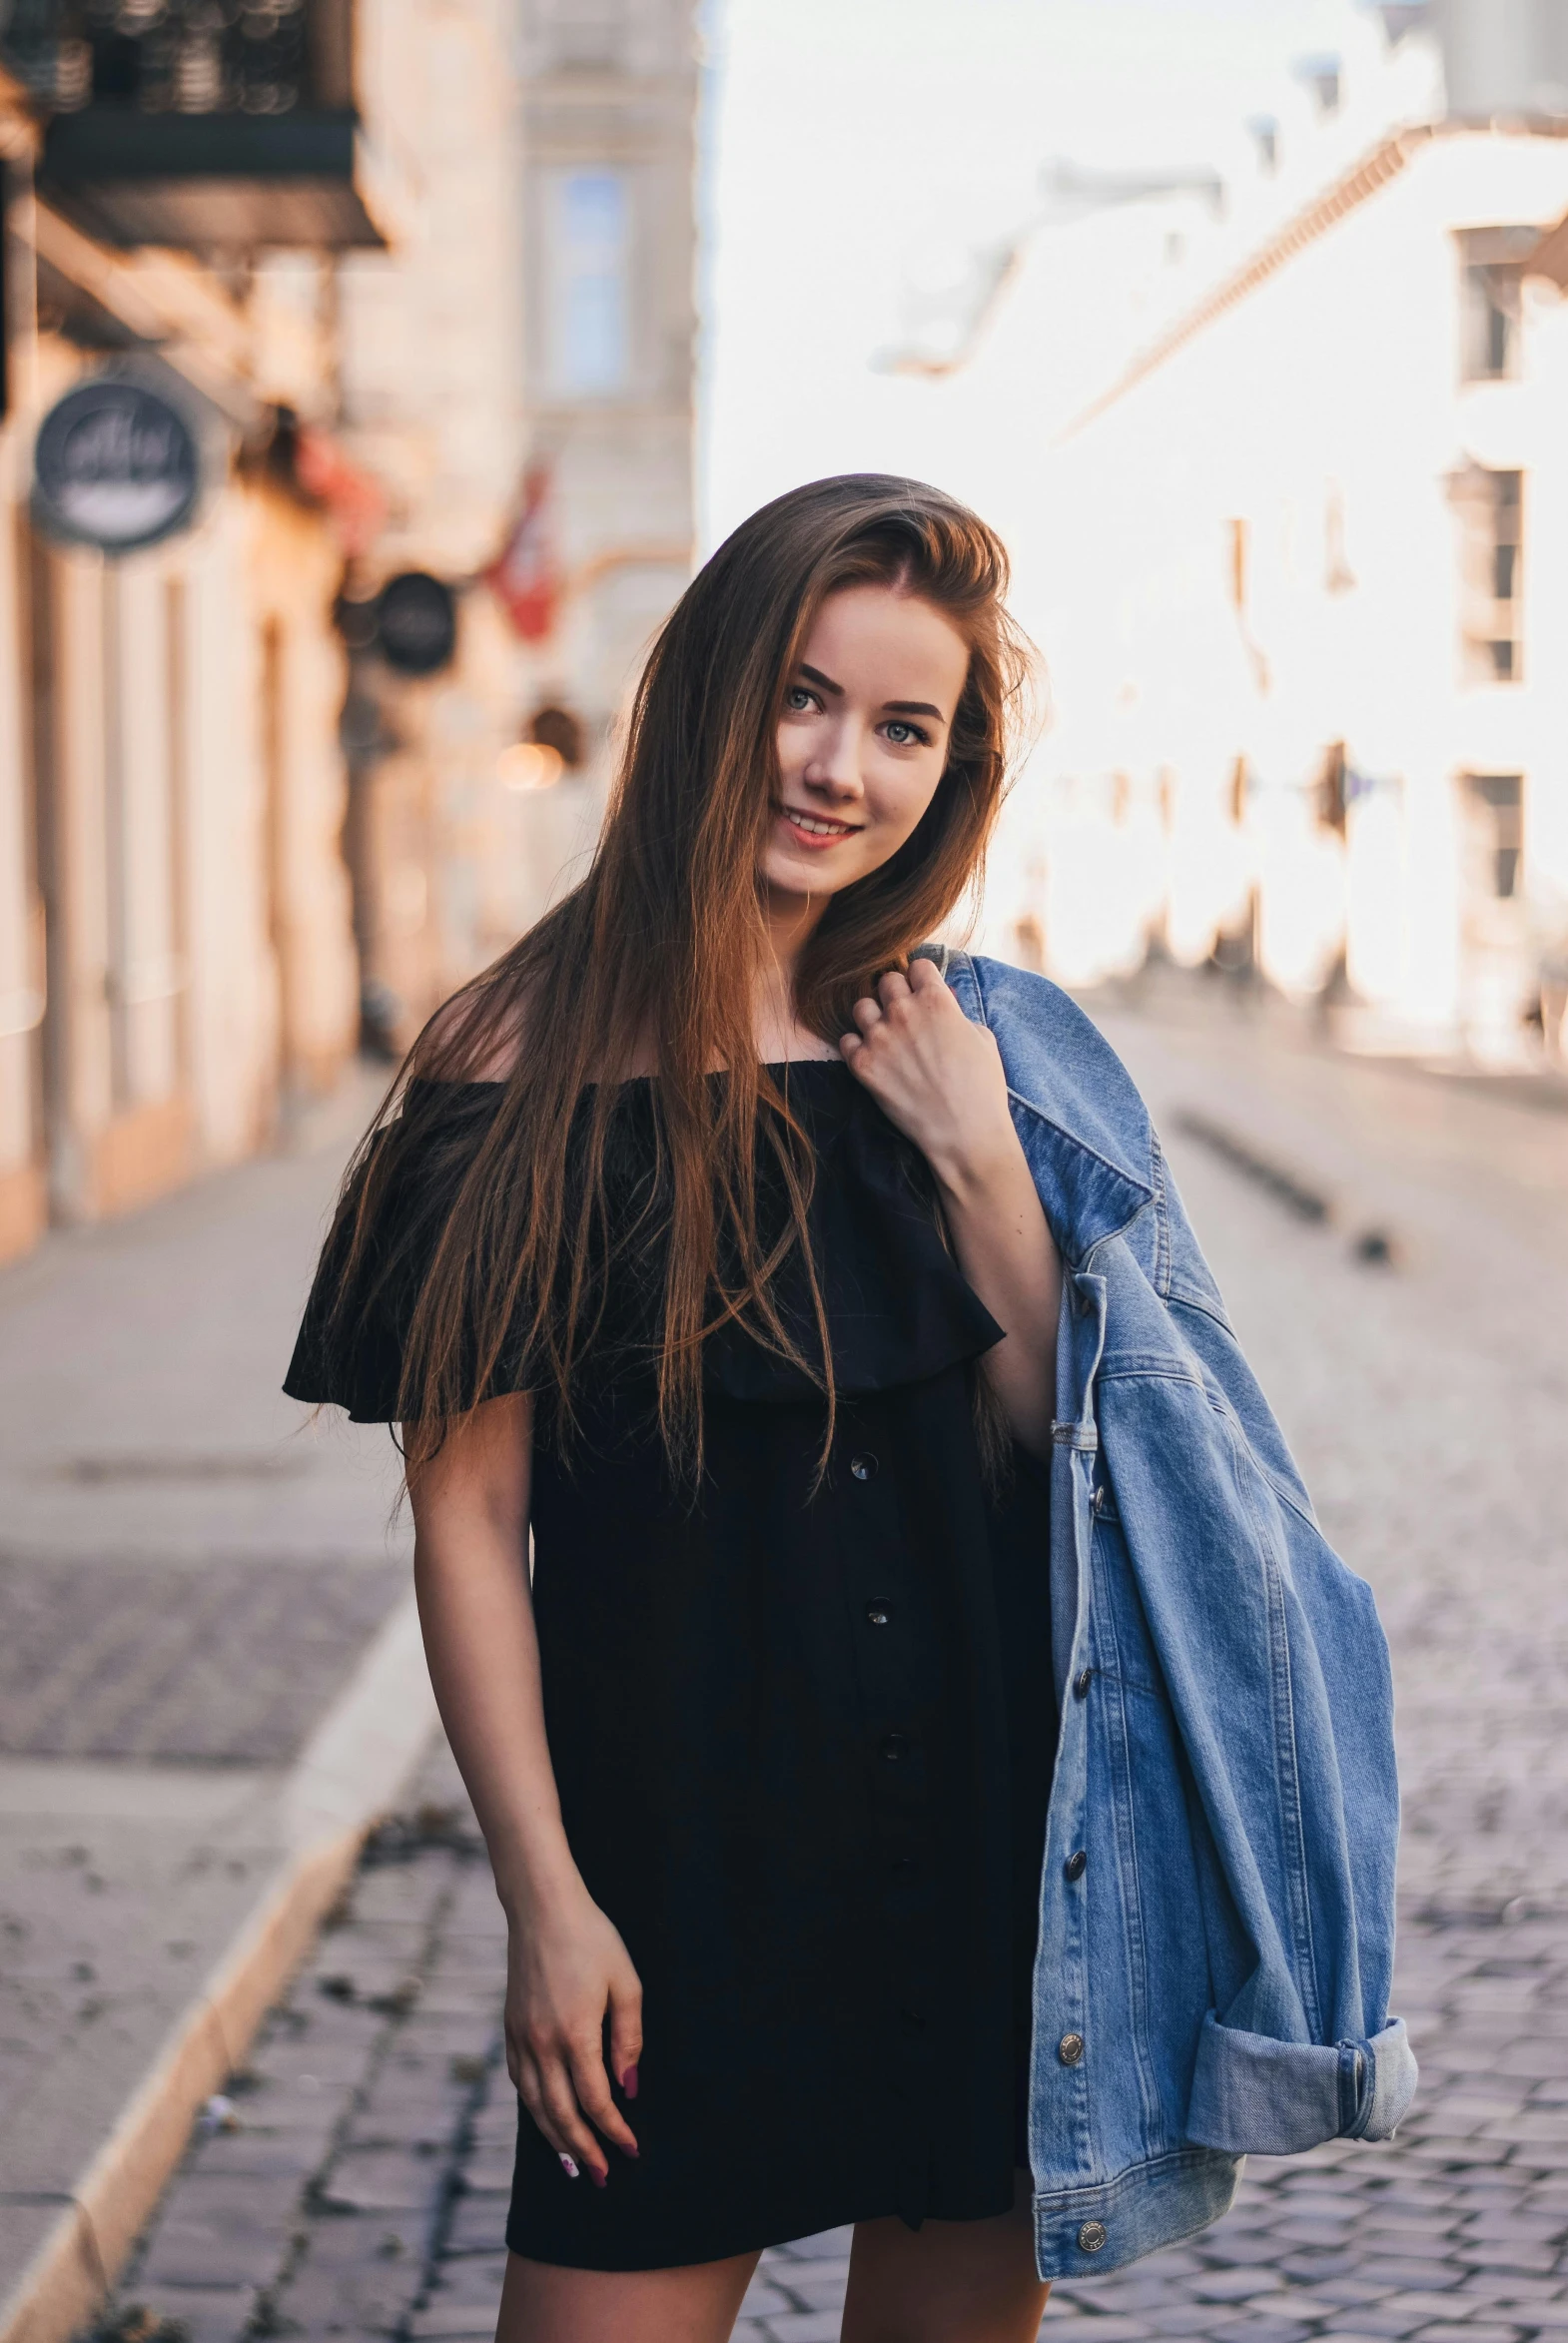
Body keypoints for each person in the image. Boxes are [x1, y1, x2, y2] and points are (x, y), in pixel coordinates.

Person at [287, 476, 1413, 2343]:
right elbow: (471, 1520)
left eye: (905, 727)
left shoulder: (960, 1042)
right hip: (669, 1886)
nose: (840, 768)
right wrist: (543, 1904)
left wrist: (977, 1158)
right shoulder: (510, 1063)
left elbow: (1080, 1461)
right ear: (713, 694)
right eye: (804, 697)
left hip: (976, 1877)